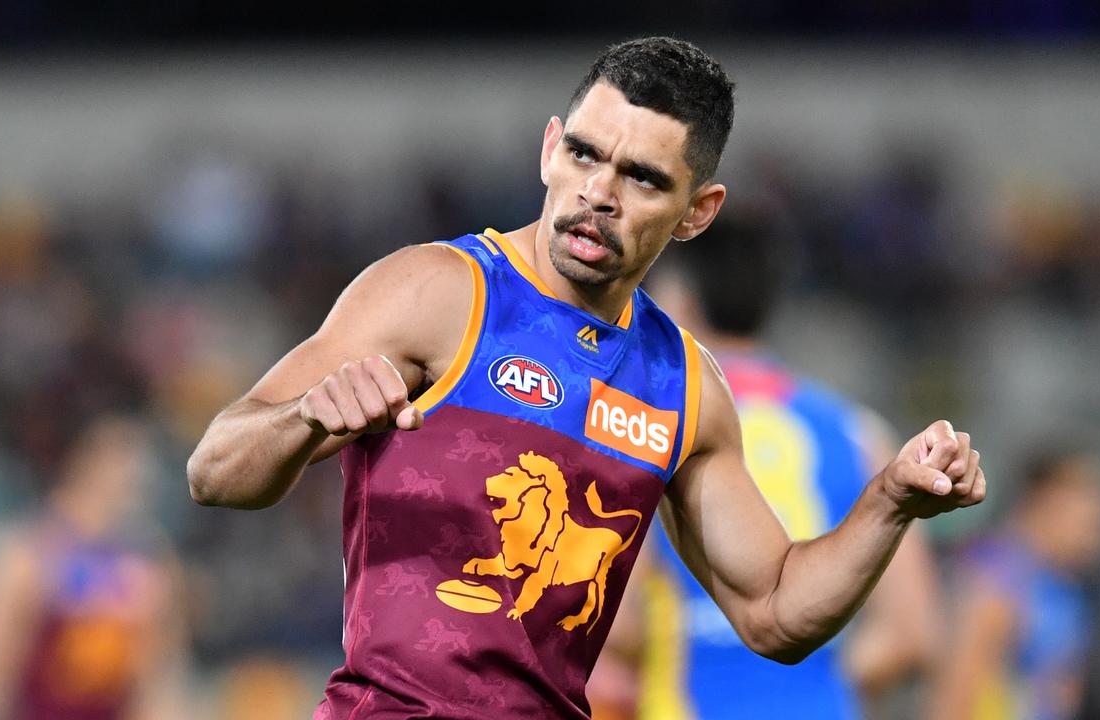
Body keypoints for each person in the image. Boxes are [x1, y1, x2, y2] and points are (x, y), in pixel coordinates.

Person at [187, 36, 986, 719]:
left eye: (641, 177)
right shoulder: (435, 294)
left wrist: (889, 502)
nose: (598, 193)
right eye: (583, 154)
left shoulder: (683, 387)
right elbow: (215, 470)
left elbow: (776, 614)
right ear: (548, 148)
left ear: (697, 211)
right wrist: (304, 419)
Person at [587, 213, 940, 719]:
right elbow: (911, 634)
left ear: (679, 299)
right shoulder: (859, 434)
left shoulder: (647, 427)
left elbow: (619, 622)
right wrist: (804, 687)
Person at [0, 415, 189, 720]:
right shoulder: (28, 552)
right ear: (84, 461)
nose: (136, 477)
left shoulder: (148, 563)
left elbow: (158, 679)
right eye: (122, 461)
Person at [927, 450, 1100, 720]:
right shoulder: (997, 576)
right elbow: (955, 694)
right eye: (1090, 521)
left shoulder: (1063, 583)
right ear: (1048, 500)